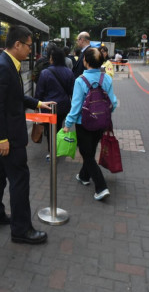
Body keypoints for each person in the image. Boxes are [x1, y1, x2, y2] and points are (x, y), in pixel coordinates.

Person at [0, 25, 53, 245]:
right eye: (29, 46)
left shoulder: (9, 64)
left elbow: (16, 97)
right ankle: (21, 230)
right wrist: (3, 138)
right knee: (19, 181)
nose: (30, 51)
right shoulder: (2, 67)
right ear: (17, 45)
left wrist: (39, 103)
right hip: (9, 138)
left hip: (4, 135)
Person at [64, 47, 118, 201]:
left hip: (84, 123)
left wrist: (68, 123)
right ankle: (83, 176)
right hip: (101, 122)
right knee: (91, 150)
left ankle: (101, 187)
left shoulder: (80, 80)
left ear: (85, 62)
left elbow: (75, 106)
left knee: (87, 154)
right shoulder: (106, 78)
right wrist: (105, 114)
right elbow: (113, 102)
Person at [35, 46, 75, 161]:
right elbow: (72, 91)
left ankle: (52, 152)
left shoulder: (45, 73)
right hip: (64, 106)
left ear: (51, 58)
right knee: (57, 126)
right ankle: (57, 148)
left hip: (48, 107)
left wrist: (36, 106)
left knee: (50, 129)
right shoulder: (69, 72)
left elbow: (39, 92)